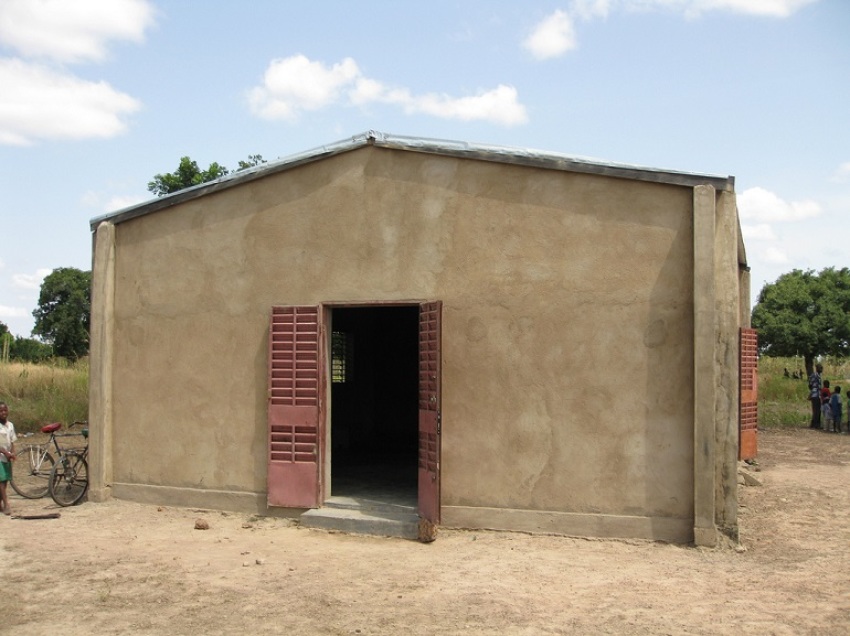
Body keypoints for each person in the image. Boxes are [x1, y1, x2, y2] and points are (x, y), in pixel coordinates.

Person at [0, 401, 17, 515]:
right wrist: (5, 453)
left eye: (5, 410)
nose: (3, 413)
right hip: (0, 457)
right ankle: (6, 504)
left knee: (5, 481)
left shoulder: (10, 425)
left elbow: (12, 441)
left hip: (7, 457)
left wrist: (12, 453)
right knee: (1, 481)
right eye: (1, 411)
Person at [809, 364, 824, 429]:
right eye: (820, 368)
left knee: (817, 410)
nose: (822, 369)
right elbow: (810, 385)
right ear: (817, 368)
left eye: (822, 368)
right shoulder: (814, 375)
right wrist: (813, 391)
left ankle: (814, 424)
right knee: (816, 410)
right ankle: (816, 424)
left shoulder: (819, 375)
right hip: (815, 395)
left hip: (818, 395)